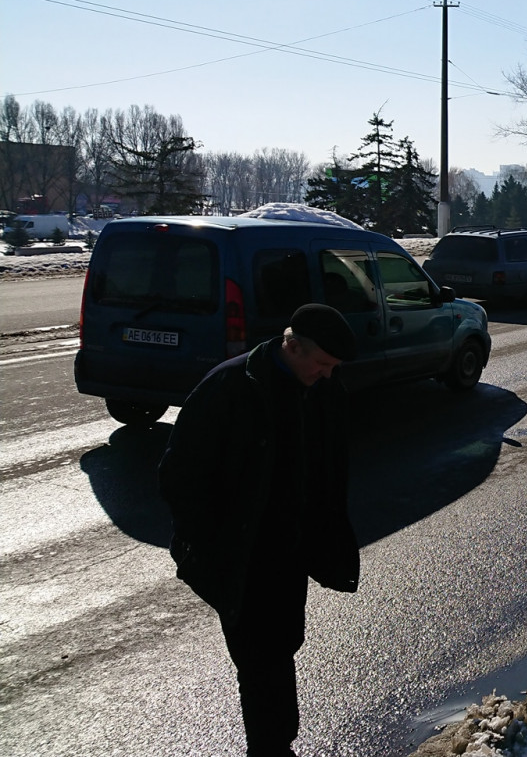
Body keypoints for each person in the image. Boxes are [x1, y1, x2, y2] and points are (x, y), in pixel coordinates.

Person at [159, 303, 362, 757]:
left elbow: (327, 466)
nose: (328, 374)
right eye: (322, 364)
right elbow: (179, 476)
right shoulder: (231, 387)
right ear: (292, 346)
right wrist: (212, 544)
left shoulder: (321, 389)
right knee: (259, 658)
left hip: (288, 551)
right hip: (240, 554)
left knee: (282, 645)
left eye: (334, 367)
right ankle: (271, 748)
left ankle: (277, 744)